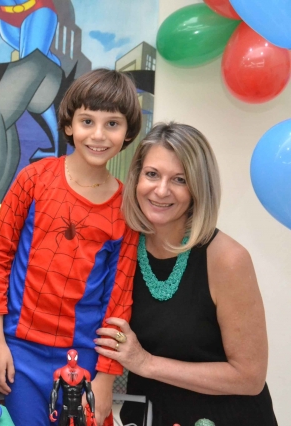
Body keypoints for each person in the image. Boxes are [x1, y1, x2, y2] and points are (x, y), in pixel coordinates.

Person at [0, 68, 142, 426]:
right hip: (18, 352)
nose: (98, 135)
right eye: (87, 121)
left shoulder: (126, 209)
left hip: (84, 359)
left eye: (112, 124)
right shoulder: (32, 179)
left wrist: (105, 378)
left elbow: (118, 300)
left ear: (128, 132)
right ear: (69, 125)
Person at [94, 122, 277, 425]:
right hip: (149, 414)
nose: (161, 190)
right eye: (152, 174)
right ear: (136, 177)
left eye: (179, 179)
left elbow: (250, 377)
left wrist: (146, 363)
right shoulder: (121, 247)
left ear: (198, 189)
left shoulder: (228, 259)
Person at [49, 349, 96, 426]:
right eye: (70, 357)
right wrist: (52, 408)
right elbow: (54, 391)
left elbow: (89, 392)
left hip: (78, 408)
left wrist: (92, 411)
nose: (73, 359)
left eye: (75, 357)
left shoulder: (85, 373)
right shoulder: (59, 372)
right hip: (66, 407)